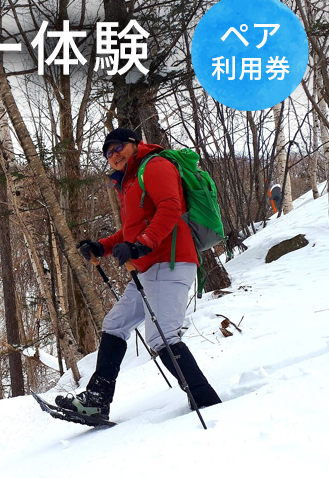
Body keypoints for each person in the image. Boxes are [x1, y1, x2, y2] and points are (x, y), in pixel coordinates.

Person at [55, 128, 221, 421]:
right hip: (149, 267)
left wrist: (142, 244)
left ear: (134, 144)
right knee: (115, 324)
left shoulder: (155, 165)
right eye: (108, 153)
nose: (113, 155)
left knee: (162, 337)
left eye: (118, 147)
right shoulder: (130, 181)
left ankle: (205, 400)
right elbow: (132, 229)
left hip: (170, 261)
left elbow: (171, 208)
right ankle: (97, 400)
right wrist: (103, 246)